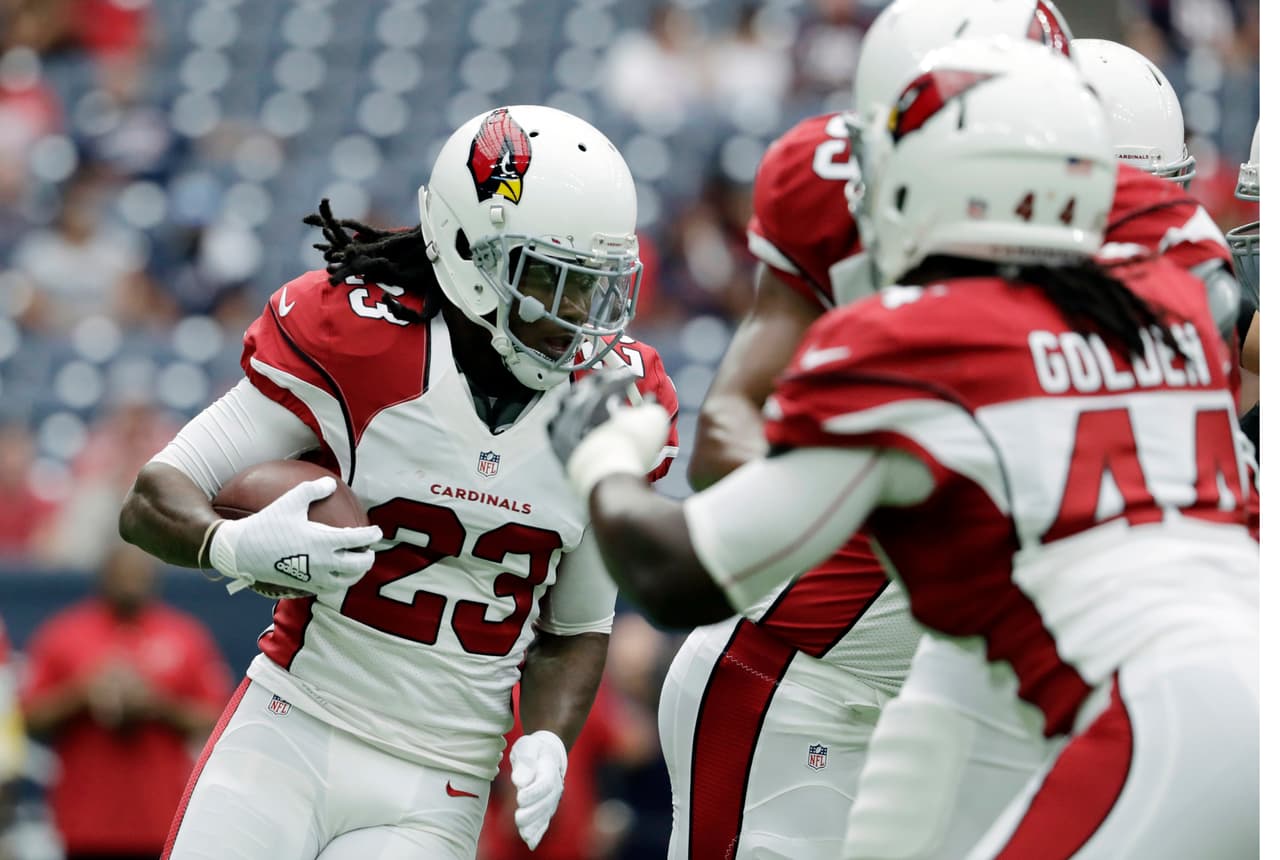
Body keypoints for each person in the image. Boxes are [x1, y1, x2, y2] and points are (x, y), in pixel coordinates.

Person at [549, 38, 1257, 860]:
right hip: (1111, 682)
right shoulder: (1183, 293)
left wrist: (602, 455)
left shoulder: (925, 342)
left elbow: (677, 574)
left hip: (1129, 707)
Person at [118, 105, 680, 860]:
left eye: (596, 286)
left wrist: (549, 736)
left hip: (439, 781)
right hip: (292, 728)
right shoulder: (360, 341)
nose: (578, 315)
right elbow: (155, 495)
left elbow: (574, 631)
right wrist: (236, 545)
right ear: (467, 250)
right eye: (551, 279)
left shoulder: (617, 403)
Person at [19, 543, 232, 860]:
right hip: (86, 821)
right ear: (104, 577)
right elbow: (29, 718)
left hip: (162, 818)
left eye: (138, 575)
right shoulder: (65, 633)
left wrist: (157, 705)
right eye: (122, 575)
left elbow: (217, 718)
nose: (130, 583)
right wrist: (84, 693)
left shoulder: (184, 634)